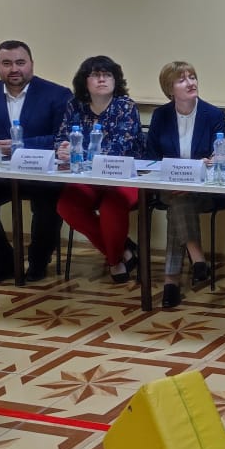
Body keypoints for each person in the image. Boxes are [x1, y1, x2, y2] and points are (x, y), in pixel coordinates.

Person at [0, 40, 71, 285]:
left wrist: (21, 146)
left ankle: (38, 263)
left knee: (49, 203)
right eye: (7, 63)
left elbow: (62, 138)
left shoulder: (58, 94)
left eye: (20, 63)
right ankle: (3, 264)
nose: (14, 69)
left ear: (31, 64)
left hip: (41, 172)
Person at [55, 56, 146, 283]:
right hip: (87, 177)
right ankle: (123, 250)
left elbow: (119, 149)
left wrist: (78, 151)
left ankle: (115, 261)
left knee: (111, 206)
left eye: (107, 75)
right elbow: (61, 138)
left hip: (124, 177)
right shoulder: (75, 106)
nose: (102, 79)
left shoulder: (125, 106)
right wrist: (63, 149)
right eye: (96, 75)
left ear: (116, 80)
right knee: (67, 205)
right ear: (85, 81)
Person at [146, 61, 225, 309]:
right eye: (182, 80)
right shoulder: (160, 115)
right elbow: (151, 158)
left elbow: (220, 156)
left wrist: (204, 167)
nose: (190, 83)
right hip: (168, 186)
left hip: (203, 188)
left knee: (178, 203)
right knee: (178, 198)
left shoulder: (212, 115)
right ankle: (196, 258)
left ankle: (172, 281)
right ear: (169, 89)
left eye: (192, 77)